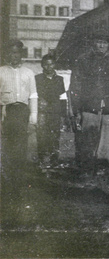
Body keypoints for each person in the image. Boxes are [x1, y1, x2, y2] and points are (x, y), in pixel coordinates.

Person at [69, 30, 109, 177]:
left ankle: (102, 167)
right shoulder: (83, 60)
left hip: (107, 107)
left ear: (108, 45)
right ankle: (86, 167)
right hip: (88, 106)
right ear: (93, 43)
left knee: (105, 141)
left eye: (104, 43)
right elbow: (76, 85)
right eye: (99, 42)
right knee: (87, 139)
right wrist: (76, 108)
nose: (101, 46)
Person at [0, 40, 38, 221]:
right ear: (7, 54)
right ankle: (7, 184)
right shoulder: (1, 71)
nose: (14, 56)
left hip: (22, 112)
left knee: (21, 149)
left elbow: (33, 95)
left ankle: (18, 184)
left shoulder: (28, 73)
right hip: (7, 112)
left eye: (17, 53)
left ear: (21, 54)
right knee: (7, 148)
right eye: (11, 53)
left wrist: (33, 117)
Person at [35, 54, 67, 169]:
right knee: (42, 136)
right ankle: (43, 160)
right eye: (46, 64)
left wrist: (64, 115)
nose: (49, 67)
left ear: (55, 65)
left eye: (52, 64)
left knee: (55, 136)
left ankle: (54, 160)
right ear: (42, 66)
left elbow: (63, 98)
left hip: (55, 112)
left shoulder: (59, 79)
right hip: (42, 112)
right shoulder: (37, 78)